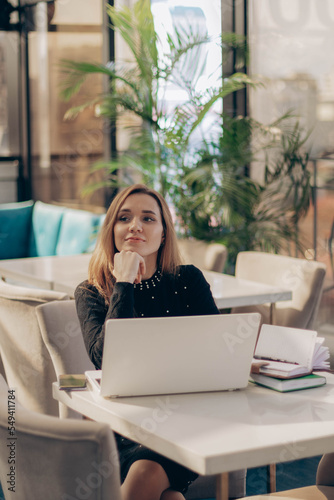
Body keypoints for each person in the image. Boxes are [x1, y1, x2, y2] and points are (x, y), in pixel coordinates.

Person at [75, 183, 219, 500]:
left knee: (147, 475)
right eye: (124, 218)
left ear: (164, 233)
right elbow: (106, 360)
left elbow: (218, 351)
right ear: (111, 229)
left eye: (148, 219)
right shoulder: (90, 291)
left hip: (188, 418)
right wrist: (123, 281)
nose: (135, 226)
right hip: (123, 423)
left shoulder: (188, 280)